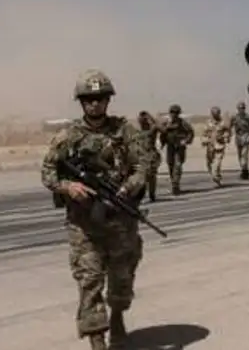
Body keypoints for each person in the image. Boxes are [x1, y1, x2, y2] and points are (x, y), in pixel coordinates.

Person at [41, 69, 149, 350]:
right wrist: (69, 187)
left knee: (122, 277)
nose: (94, 104)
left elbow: (142, 166)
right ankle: (97, 338)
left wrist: (129, 187)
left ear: (108, 100)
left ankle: (117, 318)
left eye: (100, 98)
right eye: (89, 99)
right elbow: (48, 173)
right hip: (84, 224)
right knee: (89, 280)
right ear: (81, 102)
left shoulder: (125, 132)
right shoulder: (68, 136)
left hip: (120, 220)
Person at [159, 104, 194, 195]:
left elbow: (190, 132)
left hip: (179, 147)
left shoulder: (183, 123)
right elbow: (162, 134)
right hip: (170, 147)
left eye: (176, 112)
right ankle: (174, 183)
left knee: (177, 166)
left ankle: (175, 183)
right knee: (170, 165)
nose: (173, 114)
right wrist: (162, 143)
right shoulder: (166, 123)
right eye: (172, 112)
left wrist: (185, 141)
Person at [201, 106, 231, 186]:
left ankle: (216, 176)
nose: (215, 115)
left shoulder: (223, 123)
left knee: (217, 163)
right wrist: (204, 141)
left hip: (219, 146)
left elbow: (227, 132)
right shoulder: (208, 123)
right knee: (209, 163)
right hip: (210, 146)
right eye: (214, 113)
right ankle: (215, 175)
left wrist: (225, 137)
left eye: (217, 113)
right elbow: (204, 133)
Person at [137, 110, 163, 202]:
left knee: (151, 176)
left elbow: (162, 129)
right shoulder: (138, 132)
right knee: (142, 177)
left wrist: (151, 117)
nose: (141, 122)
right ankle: (141, 195)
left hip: (151, 155)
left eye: (143, 120)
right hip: (141, 157)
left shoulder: (152, 130)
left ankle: (152, 194)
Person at [229, 101, 249, 179]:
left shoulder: (248, 117)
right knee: (240, 155)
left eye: (243, 108)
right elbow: (230, 126)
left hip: (246, 136)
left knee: (244, 154)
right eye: (240, 108)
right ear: (237, 109)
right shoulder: (234, 117)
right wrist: (228, 135)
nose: (241, 109)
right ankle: (243, 169)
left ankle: (245, 170)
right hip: (238, 137)